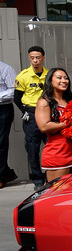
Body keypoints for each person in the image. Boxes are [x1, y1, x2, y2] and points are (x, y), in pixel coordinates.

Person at [35, 68, 72, 182]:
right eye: (59, 78)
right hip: (57, 154)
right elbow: (44, 126)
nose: (64, 80)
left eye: (66, 78)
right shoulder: (44, 102)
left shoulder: (69, 101)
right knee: (59, 193)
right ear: (50, 81)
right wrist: (67, 123)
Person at [14, 46, 48, 190]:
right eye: (32, 58)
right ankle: (38, 181)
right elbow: (17, 98)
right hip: (32, 116)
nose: (35, 60)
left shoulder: (49, 74)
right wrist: (26, 111)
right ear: (29, 58)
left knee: (51, 146)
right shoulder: (23, 76)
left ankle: (51, 177)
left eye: (38, 57)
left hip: (47, 115)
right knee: (32, 149)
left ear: (43, 58)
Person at [0, 60, 18, 188]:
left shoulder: (6, 69)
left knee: (1, 142)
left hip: (3, 109)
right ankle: (7, 172)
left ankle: (1, 176)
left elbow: (13, 91)